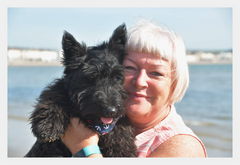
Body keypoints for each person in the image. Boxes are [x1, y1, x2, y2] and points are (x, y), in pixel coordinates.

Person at [61, 18, 207, 158]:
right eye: (129, 67)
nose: (140, 82)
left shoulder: (183, 149)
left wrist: (85, 149)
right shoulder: (100, 121)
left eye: (156, 73)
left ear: (175, 84)